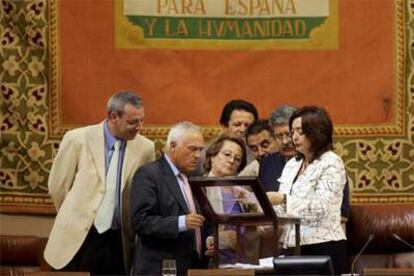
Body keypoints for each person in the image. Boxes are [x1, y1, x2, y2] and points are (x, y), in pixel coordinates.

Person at [44, 91, 155, 275]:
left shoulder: (145, 148)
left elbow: (142, 194)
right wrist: (73, 216)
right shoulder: (78, 139)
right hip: (79, 237)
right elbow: (58, 186)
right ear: (113, 117)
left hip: (118, 240)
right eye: (133, 122)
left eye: (141, 120)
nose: (139, 127)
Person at [267, 106, 348, 275]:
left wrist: (282, 199)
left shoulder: (331, 162)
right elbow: (282, 210)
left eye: (300, 132)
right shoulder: (292, 164)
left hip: (323, 247)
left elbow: (320, 208)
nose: (293, 138)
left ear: (317, 133)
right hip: (291, 246)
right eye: (292, 131)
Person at [130, 122, 208, 276]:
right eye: (192, 149)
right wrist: (181, 223)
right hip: (160, 268)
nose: (198, 155)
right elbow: (140, 221)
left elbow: (204, 218)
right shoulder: (149, 174)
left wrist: (209, 238)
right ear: (173, 146)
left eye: (200, 150)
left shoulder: (196, 177)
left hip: (194, 266)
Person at [261, 104, 350, 222]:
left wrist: (283, 200)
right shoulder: (273, 164)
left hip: (318, 233)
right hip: (283, 233)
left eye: (289, 134)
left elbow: (338, 215)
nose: (286, 141)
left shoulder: (330, 163)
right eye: (279, 136)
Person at [203, 134, 248, 264]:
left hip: (240, 260)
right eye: (227, 154)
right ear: (212, 155)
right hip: (210, 259)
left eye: (237, 159)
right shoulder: (199, 188)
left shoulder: (243, 192)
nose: (232, 160)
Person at [193, 99, 258, 176]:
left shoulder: (258, 154)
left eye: (248, 126)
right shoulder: (202, 155)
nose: (243, 130)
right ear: (225, 127)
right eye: (237, 124)